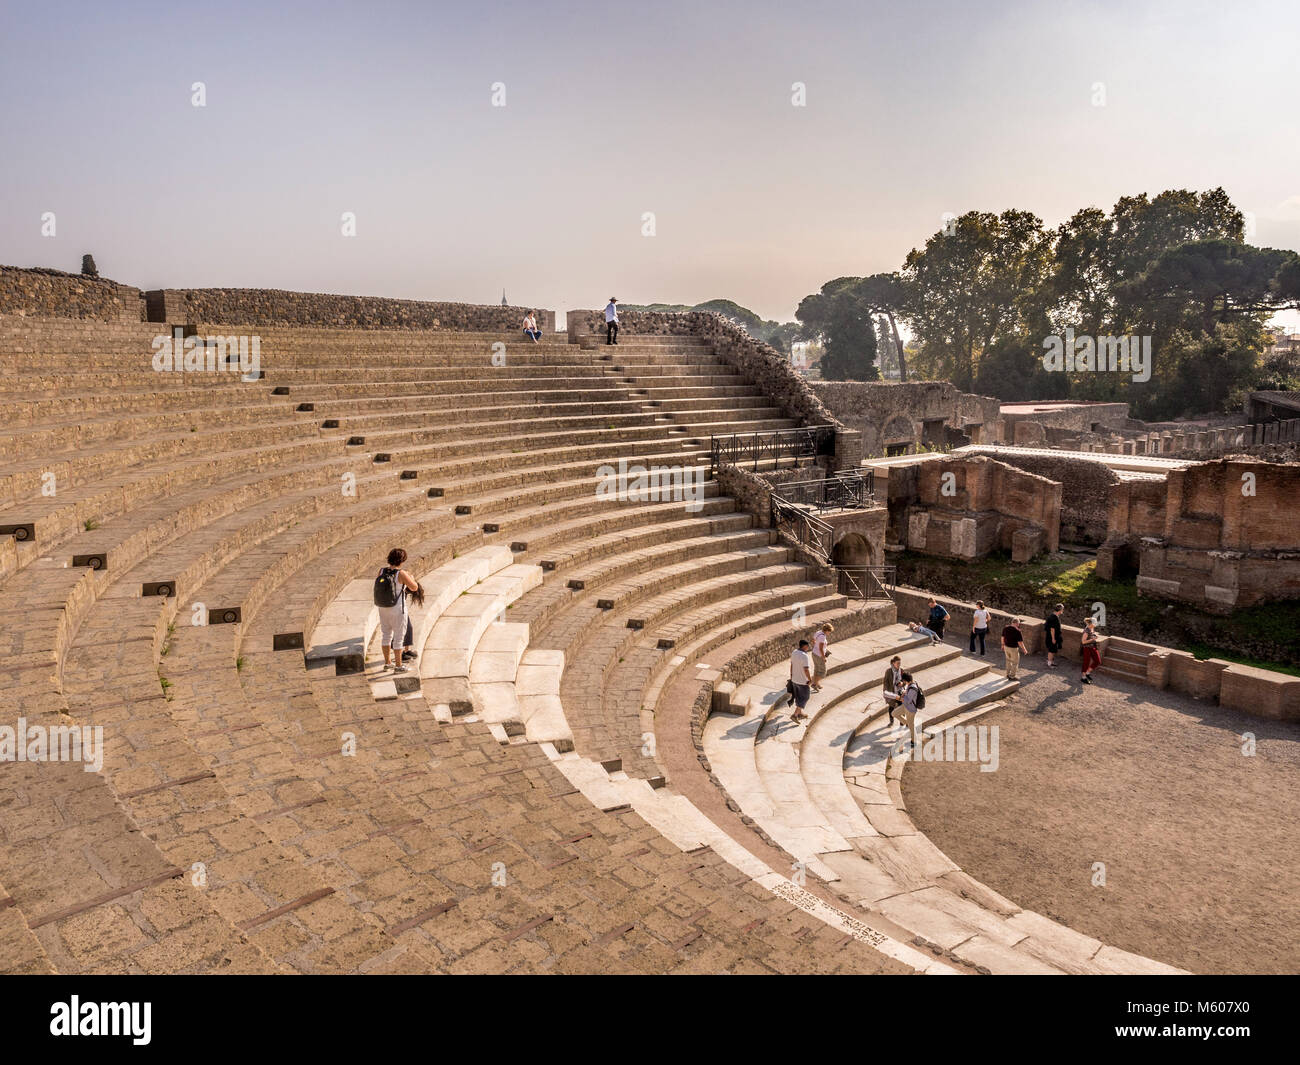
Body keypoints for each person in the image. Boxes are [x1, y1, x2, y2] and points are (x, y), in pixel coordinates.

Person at [375, 548, 421, 673]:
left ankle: (387, 663)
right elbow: (414, 587)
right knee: (399, 637)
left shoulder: (381, 570)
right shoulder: (401, 573)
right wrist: (410, 577)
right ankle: (399, 666)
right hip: (397, 609)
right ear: (402, 560)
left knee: (386, 635)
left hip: (382, 607)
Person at [789, 638, 813, 723]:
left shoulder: (794, 652)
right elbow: (806, 669)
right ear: (805, 646)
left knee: (799, 697)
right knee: (805, 697)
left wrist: (791, 675)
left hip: (795, 679)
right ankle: (795, 715)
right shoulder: (804, 656)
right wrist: (810, 679)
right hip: (803, 681)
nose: (808, 648)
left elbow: (791, 665)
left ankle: (800, 713)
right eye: (807, 646)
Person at [898, 672, 921, 750]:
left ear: (906, 680)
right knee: (894, 713)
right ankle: (906, 723)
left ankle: (914, 742)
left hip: (910, 709)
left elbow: (908, 700)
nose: (903, 682)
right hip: (906, 707)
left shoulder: (913, 688)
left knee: (911, 726)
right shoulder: (911, 685)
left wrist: (901, 697)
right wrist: (905, 692)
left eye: (903, 680)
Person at [882, 654, 905, 725]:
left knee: (902, 707)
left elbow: (905, 681)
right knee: (891, 707)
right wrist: (885, 692)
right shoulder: (888, 671)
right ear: (893, 663)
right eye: (897, 663)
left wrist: (902, 683)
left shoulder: (901, 671)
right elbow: (885, 682)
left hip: (900, 692)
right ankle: (891, 721)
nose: (899, 665)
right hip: (892, 692)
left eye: (900, 663)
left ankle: (902, 721)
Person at [811, 622, 834, 692]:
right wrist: (823, 657)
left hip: (814, 653)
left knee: (817, 669)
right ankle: (814, 684)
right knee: (823, 672)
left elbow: (813, 640)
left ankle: (816, 683)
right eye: (829, 632)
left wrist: (816, 646)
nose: (829, 633)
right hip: (819, 655)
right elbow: (821, 648)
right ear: (827, 630)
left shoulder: (818, 632)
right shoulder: (822, 637)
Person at [1080, 617, 1102, 684]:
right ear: (1091, 623)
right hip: (1087, 648)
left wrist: (1094, 636)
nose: (1095, 624)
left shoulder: (1092, 628)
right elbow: (1083, 642)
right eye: (1094, 623)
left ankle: (1087, 672)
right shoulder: (1086, 631)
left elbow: (1092, 635)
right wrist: (1092, 639)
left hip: (1093, 647)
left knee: (1098, 661)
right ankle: (1083, 677)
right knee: (1086, 662)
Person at [1044, 603, 1064, 668]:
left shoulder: (1052, 616)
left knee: (1053, 649)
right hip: (1052, 637)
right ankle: (1049, 664)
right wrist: (1053, 638)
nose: (1062, 611)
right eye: (1062, 609)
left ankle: (1051, 662)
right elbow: (1052, 629)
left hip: (1052, 636)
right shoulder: (1054, 618)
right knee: (1051, 650)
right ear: (1060, 610)